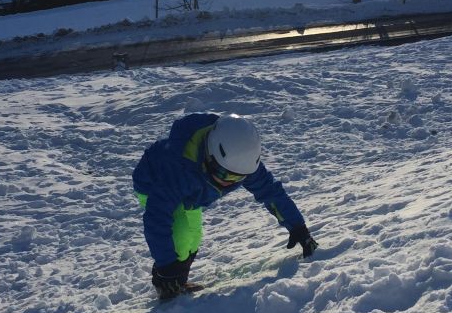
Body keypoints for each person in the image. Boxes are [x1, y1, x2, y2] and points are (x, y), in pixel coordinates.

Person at [133, 112, 317, 299]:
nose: (230, 182)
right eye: (225, 175)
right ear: (209, 155)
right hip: (152, 186)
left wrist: (298, 227)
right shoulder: (178, 168)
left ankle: (178, 281)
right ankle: (166, 284)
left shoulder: (242, 162)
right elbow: (157, 217)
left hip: (192, 194)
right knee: (180, 236)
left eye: (238, 178)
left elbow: (271, 192)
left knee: (193, 237)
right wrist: (166, 265)